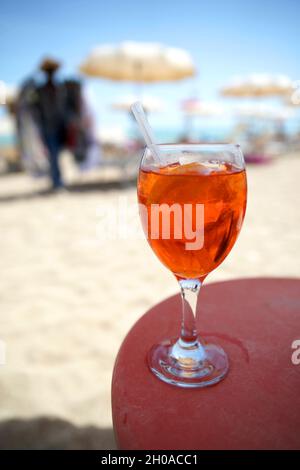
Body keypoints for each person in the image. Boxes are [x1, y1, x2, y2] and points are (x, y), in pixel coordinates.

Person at [36, 57, 66, 189]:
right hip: (48, 126)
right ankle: (56, 181)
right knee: (53, 154)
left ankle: (57, 179)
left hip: (60, 125)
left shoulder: (60, 88)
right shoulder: (40, 90)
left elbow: (63, 107)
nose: (50, 73)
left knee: (56, 154)